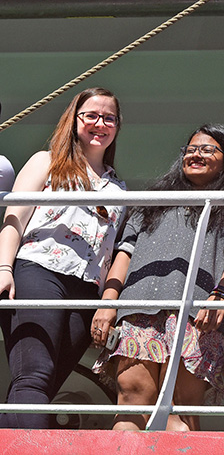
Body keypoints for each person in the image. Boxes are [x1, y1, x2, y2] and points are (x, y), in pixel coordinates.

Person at [91, 124, 224, 431]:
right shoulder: (153, 201)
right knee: (131, 401)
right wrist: (108, 304)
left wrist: (222, 292)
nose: (196, 154)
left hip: (198, 314)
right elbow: (124, 254)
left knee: (180, 411)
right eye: (191, 149)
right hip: (138, 309)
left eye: (207, 149)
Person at [0, 87, 126, 428]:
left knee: (42, 384)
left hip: (86, 291)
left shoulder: (120, 189)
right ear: (74, 120)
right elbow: (14, 218)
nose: (100, 123)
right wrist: (4, 267)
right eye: (91, 115)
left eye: (109, 118)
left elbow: (115, 250)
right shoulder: (47, 161)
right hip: (38, 271)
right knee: (34, 375)